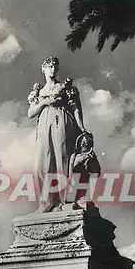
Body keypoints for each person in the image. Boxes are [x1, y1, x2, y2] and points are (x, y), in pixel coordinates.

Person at [27, 57, 86, 212]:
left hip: (61, 121)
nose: (53, 69)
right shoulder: (39, 92)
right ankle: (47, 201)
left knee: (62, 159)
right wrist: (44, 102)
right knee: (42, 163)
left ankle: (64, 200)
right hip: (44, 125)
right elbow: (30, 113)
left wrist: (82, 127)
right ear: (43, 69)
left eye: (55, 66)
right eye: (50, 66)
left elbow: (76, 108)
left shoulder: (65, 87)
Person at [68, 132, 101, 210]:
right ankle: (75, 201)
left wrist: (91, 160)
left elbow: (97, 172)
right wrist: (80, 160)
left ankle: (84, 201)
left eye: (86, 143)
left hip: (86, 179)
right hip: (75, 178)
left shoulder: (91, 156)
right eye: (82, 142)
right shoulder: (74, 156)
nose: (83, 145)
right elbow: (71, 169)